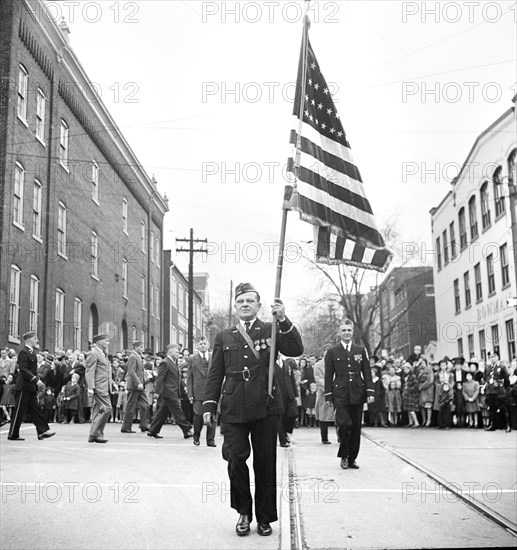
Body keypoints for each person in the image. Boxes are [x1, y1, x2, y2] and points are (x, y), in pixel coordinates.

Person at [202, 282, 303, 537]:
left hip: (266, 404)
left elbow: (296, 349)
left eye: (250, 301)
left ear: (259, 306)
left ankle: (265, 517)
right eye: (240, 302)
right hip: (234, 404)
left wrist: (283, 319)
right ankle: (243, 512)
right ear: (235, 307)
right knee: (235, 458)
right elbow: (215, 374)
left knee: (265, 462)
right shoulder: (224, 336)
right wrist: (209, 405)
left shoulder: (271, 329)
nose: (245, 305)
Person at [324, 319, 374, 470]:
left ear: (353, 332)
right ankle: (344, 455)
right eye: (344, 330)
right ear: (339, 333)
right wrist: (328, 395)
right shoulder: (332, 351)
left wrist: (370, 391)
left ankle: (352, 458)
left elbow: (367, 372)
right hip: (340, 393)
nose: (346, 333)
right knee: (345, 424)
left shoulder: (360, 350)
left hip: (357, 392)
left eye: (349, 330)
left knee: (356, 427)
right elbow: (328, 375)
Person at [7, 331, 55, 441]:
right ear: (28, 339)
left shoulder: (32, 352)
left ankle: (42, 431)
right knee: (19, 410)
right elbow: (23, 369)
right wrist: (35, 380)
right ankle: (13, 434)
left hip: (30, 386)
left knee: (36, 408)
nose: (36, 341)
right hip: (24, 386)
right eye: (34, 338)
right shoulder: (24, 352)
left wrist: (35, 381)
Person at [147, 344, 194, 440]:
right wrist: (157, 392)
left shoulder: (173, 362)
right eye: (176, 352)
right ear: (170, 352)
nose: (178, 354)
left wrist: (183, 387)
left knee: (162, 412)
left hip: (173, 391)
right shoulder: (165, 362)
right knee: (178, 411)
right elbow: (160, 378)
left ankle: (153, 430)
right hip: (169, 392)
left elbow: (177, 377)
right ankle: (186, 430)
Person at [85, 333, 114, 443]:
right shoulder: (93, 353)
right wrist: (90, 387)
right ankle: (95, 433)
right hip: (98, 386)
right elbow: (89, 371)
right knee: (107, 408)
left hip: (103, 386)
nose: (108, 343)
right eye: (106, 341)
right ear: (99, 342)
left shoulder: (103, 353)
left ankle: (94, 435)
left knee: (98, 410)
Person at [187, 336, 216, 447]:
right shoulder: (192, 358)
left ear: (208, 345)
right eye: (200, 344)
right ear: (197, 345)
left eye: (204, 343)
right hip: (198, 391)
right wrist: (190, 394)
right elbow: (189, 378)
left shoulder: (214, 357)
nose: (203, 345)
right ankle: (196, 437)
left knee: (212, 415)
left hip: (212, 390)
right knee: (198, 416)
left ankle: (210, 440)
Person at [121, 341, 150, 434]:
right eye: (141, 347)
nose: (142, 349)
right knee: (130, 406)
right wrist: (138, 383)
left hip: (140, 386)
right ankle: (126, 427)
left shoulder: (138, 357)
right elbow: (131, 371)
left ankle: (144, 425)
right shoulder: (133, 356)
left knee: (145, 405)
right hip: (134, 386)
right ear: (136, 347)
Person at [314, 352, 335, 443]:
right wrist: (330, 387)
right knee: (323, 416)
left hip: (337, 393)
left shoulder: (336, 363)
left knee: (339, 416)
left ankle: (341, 437)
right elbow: (318, 379)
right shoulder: (318, 365)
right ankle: (324, 438)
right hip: (323, 393)